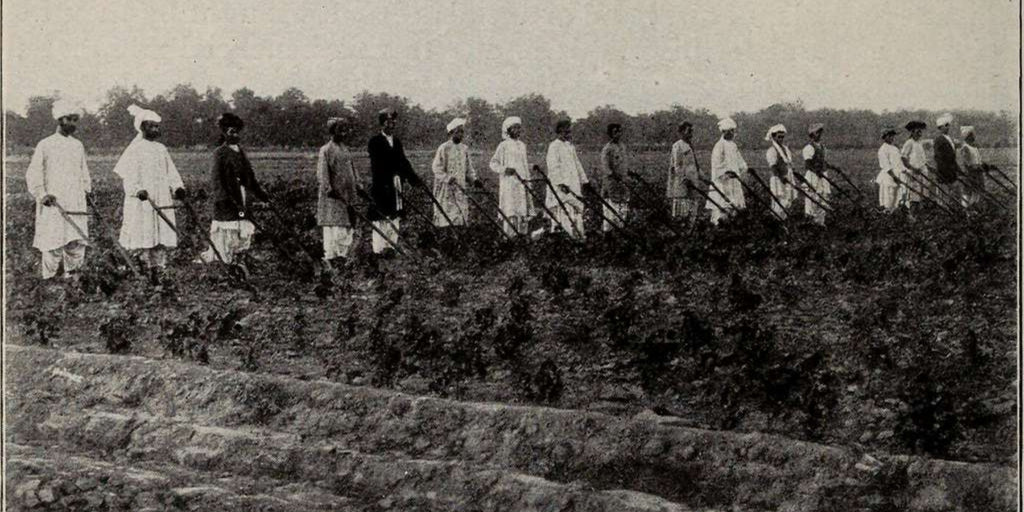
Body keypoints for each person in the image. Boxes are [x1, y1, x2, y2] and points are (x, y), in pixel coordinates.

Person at [113, 105, 185, 272]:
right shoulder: (135, 150)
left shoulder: (161, 149)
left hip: (161, 196)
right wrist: (137, 190)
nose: (155, 129)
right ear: (143, 128)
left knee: (160, 233)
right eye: (152, 126)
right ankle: (142, 265)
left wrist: (178, 187)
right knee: (143, 231)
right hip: (142, 200)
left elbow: (171, 171)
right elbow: (128, 176)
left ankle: (159, 267)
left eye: (157, 126)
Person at [25, 100, 91, 279]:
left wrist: (87, 191)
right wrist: (42, 194)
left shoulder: (77, 145)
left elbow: (83, 171)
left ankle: (73, 278)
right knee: (52, 241)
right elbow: (34, 173)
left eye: (76, 120)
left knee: (76, 240)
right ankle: (50, 280)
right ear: (60, 120)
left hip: (75, 199)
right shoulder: (45, 144)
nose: (73, 124)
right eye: (70, 119)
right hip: (54, 201)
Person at [197, 112, 268, 265]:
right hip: (228, 197)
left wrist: (261, 194)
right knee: (228, 228)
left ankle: (239, 256)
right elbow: (216, 179)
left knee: (243, 223)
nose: (235, 135)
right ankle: (224, 259)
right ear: (224, 133)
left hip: (242, 195)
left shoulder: (241, 152)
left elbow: (250, 176)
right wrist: (222, 198)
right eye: (231, 132)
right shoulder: (220, 153)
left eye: (237, 132)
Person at [367, 108, 421, 254]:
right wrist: (386, 181)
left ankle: (391, 248)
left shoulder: (396, 142)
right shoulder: (375, 142)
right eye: (388, 122)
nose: (391, 125)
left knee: (395, 215)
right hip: (382, 185)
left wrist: (413, 179)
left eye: (393, 122)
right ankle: (379, 250)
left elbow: (403, 162)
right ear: (382, 124)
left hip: (396, 184)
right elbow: (377, 165)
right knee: (381, 217)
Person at [316, 115, 359, 263]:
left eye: (345, 130)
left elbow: (352, 170)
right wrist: (329, 189)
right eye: (340, 130)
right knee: (335, 230)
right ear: (332, 132)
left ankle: (343, 258)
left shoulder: (346, 150)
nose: (344, 133)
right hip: (333, 199)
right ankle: (332, 259)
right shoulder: (326, 150)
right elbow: (322, 174)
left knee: (346, 229)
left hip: (348, 196)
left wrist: (358, 184)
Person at [431, 118, 480, 228]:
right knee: (446, 214)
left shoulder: (464, 149)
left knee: (459, 214)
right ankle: (447, 234)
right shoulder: (444, 148)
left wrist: (474, 180)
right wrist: (447, 178)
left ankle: (458, 235)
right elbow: (436, 167)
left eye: (462, 131)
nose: (461, 134)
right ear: (451, 132)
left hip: (460, 186)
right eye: (458, 131)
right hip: (446, 188)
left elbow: (468, 168)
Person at [488, 116, 534, 236]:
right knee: (511, 211)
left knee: (522, 211)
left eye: (519, 128)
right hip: (509, 184)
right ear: (508, 130)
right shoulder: (503, 145)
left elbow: (523, 164)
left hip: (522, 183)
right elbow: (493, 163)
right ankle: (509, 238)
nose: (518, 130)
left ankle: (522, 237)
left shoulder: (522, 145)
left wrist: (528, 179)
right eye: (515, 128)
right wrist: (504, 169)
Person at [544, 119, 589, 239]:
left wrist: (584, 181)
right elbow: (553, 167)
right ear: (560, 131)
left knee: (576, 209)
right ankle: (565, 237)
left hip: (573, 183)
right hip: (562, 187)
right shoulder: (554, 146)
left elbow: (577, 164)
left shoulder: (570, 146)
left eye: (569, 131)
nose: (568, 134)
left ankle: (578, 236)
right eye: (566, 131)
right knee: (564, 211)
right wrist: (561, 183)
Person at [706, 118, 747, 225]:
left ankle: (732, 227)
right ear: (723, 132)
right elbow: (717, 165)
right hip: (723, 182)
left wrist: (743, 168)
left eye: (733, 131)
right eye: (728, 131)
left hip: (734, 181)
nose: (731, 133)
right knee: (722, 205)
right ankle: (719, 226)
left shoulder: (733, 145)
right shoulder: (719, 146)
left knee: (735, 206)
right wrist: (726, 173)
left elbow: (739, 161)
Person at [599, 123, 630, 232]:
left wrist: (627, 173)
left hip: (622, 184)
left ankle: (620, 232)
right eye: (615, 132)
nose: (618, 134)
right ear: (610, 134)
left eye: (620, 132)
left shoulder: (622, 147)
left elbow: (623, 164)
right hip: (611, 184)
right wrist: (613, 174)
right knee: (610, 212)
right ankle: (608, 236)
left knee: (622, 210)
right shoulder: (607, 149)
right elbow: (605, 167)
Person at [801, 123, 832, 225]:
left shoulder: (823, 147)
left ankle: (820, 222)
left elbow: (823, 161)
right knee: (813, 198)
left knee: (823, 198)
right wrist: (816, 171)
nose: (819, 135)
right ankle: (811, 222)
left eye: (820, 132)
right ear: (812, 135)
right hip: (813, 176)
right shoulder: (808, 148)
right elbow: (808, 164)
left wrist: (831, 167)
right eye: (816, 133)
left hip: (822, 176)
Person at [668, 121, 699, 220]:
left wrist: (703, 178)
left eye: (692, 131)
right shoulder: (678, 146)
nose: (691, 134)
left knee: (692, 211)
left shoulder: (689, 146)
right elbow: (677, 166)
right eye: (688, 131)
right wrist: (684, 179)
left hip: (692, 183)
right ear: (681, 132)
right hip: (682, 184)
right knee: (682, 212)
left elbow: (695, 165)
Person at [765, 124, 796, 220]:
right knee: (779, 201)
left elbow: (788, 163)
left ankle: (783, 221)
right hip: (778, 179)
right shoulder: (772, 150)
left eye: (782, 137)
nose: (781, 139)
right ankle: (777, 221)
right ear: (773, 137)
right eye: (779, 137)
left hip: (787, 177)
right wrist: (781, 177)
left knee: (787, 202)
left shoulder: (785, 149)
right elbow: (773, 166)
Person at [876, 126, 907, 213]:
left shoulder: (895, 148)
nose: (891, 138)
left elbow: (899, 163)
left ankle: (894, 214)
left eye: (893, 136)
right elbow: (886, 166)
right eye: (889, 136)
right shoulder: (882, 150)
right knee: (888, 199)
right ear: (884, 137)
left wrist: (904, 171)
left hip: (898, 175)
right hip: (889, 177)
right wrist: (894, 177)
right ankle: (887, 214)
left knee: (897, 199)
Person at [932, 113, 962, 206]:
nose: (947, 127)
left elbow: (952, 157)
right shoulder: (938, 140)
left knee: (955, 196)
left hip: (952, 172)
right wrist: (945, 172)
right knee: (944, 197)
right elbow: (939, 158)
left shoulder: (949, 139)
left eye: (948, 125)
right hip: (944, 173)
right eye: (945, 126)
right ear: (940, 128)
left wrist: (957, 169)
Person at [901, 120, 929, 207]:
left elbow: (922, 159)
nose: (919, 133)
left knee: (924, 193)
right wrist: (912, 169)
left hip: (922, 172)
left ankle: (922, 213)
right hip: (914, 173)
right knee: (915, 195)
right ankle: (914, 213)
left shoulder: (919, 143)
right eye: (917, 131)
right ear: (912, 132)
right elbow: (903, 158)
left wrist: (927, 166)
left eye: (920, 131)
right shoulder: (909, 143)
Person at [958, 126, 985, 207]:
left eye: (973, 135)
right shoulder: (965, 148)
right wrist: (977, 167)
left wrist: (982, 166)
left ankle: (974, 208)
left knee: (977, 192)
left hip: (977, 174)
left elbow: (978, 160)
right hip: (970, 174)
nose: (974, 136)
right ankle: (966, 209)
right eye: (972, 135)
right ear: (967, 136)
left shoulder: (975, 147)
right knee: (967, 192)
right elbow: (967, 163)